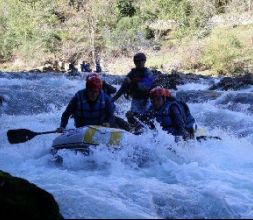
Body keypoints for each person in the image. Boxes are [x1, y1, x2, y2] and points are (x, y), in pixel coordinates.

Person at [112, 52, 155, 124]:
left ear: (144, 61)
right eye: (138, 61)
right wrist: (112, 100)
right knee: (131, 117)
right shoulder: (132, 73)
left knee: (147, 118)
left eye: (142, 60)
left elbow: (145, 87)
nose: (140, 62)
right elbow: (123, 88)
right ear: (135, 62)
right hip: (136, 100)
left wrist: (132, 82)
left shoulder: (148, 73)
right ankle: (135, 130)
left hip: (147, 100)